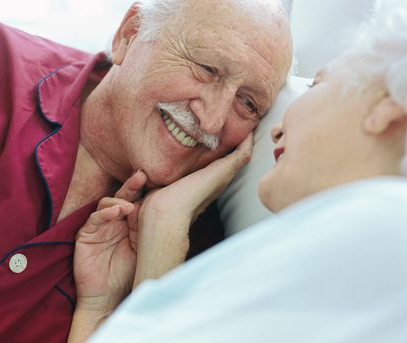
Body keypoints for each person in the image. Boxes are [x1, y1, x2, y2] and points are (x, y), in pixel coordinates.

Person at [0, 0, 292, 342]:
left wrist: (113, 301)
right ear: (129, 34)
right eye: (207, 69)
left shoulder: (194, 259)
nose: (212, 121)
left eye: (247, 104)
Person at [85, 1, 407, 342]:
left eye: (315, 86)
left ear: (386, 112)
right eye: (207, 68)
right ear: (129, 35)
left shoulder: (384, 228)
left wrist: (161, 242)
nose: (275, 129)